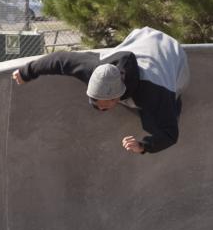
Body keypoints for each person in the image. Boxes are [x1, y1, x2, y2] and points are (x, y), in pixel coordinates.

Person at [12, 27, 189, 155]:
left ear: (117, 97)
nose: (101, 109)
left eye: (105, 106)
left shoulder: (155, 92)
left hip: (172, 54)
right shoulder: (93, 69)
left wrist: (144, 146)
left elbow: (170, 134)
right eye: (96, 103)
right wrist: (27, 72)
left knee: (156, 120)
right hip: (143, 37)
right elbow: (60, 60)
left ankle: (173, 104)